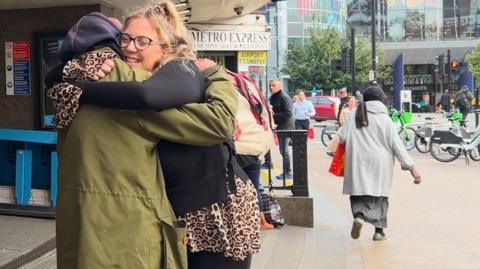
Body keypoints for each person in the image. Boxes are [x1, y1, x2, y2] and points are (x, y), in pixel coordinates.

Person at [48, 3, 259, 269]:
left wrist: (216, 74)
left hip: (214, 211)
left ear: (166, 48)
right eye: (125, 38)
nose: (130, 47)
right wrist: (70, 79)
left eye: (143, 41)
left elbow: (217, 121)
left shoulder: (181, 80)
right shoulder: (131, 82)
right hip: (178, 211)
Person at [338, 86, 422, 241]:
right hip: (381, 163)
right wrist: (412, 168)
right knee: (380, 197)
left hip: (357, 160)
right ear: (381, 99)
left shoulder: (354, 114)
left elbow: (342, 137)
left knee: (358, 194)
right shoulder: (385, 119)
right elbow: (397, 146)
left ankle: (359, 216)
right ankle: (379, 232)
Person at [269, 79, 294, 179]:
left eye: (273, 85)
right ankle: (286, 172)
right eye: (270, 85)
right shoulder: (273, 97)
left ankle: (288, 172)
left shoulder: (284, 97)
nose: (271, 87)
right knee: (282, 150)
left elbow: (288, 113)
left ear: (279, 86)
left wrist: (274, 116)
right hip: (279, 126)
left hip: (286, 127)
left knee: (284, 151)